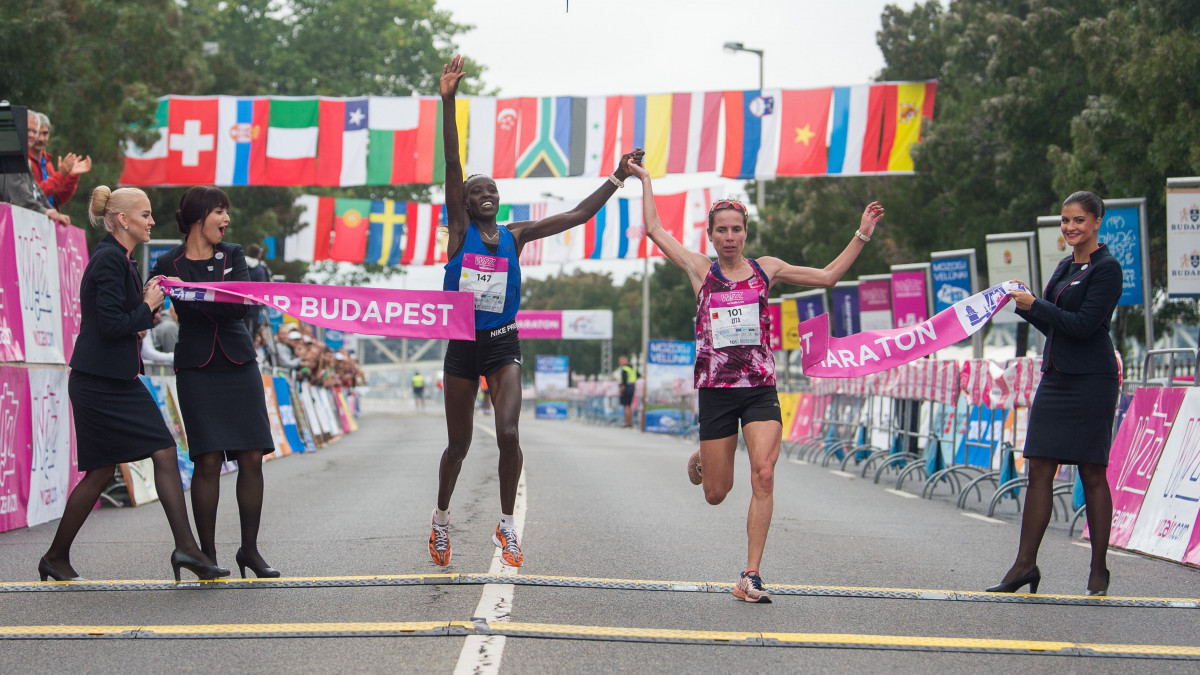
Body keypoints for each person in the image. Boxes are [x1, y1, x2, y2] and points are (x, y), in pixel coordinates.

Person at [628, 161, 884, 603]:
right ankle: (705, 456)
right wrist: (646, 180)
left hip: (760, 387)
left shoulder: (768, 269)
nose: (729, 237)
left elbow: (827, 277)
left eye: (736, 229)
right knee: (716, 493)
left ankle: (750, 575)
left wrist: (861, 234)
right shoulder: (700, 270)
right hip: (716, 392)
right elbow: (653, 228)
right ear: (711, 236)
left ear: (746, 233)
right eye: (722, 230)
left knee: (764, 474)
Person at [427, 55, 644, 568]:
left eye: (492, 191)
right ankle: (440, 519)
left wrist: (616, 177)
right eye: (476, 192)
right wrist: (448, 100)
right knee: (457, 444)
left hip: (503, 342)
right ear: (462, 201)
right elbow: (453, 165)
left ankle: (506, 526)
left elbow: (576, 215)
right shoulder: (458, 232)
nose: (485, 196)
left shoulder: (514, 236)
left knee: (508, 433)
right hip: (461, 345)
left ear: (499, 201)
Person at [39, 186, 225, 583]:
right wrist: (147, 308)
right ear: (123, 220)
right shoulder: (108, 260)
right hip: (102, 381)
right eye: (145, 215)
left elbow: (124, 320)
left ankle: (56, 557)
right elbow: (110, 325)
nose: (152, 221)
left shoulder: (119, 259)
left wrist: (145, 312)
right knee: (161, 450)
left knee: (102, 471)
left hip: (108, 376)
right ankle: (187, 548)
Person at [989, 191, 1122, 597]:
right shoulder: (1065, 266)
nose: (1069, 228)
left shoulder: (1107, 268)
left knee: (1092, 472)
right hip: (1056, 377)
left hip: (1092, 380)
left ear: (1096, 222)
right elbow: (1055, 326)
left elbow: (1083, 326)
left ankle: (1098, 569)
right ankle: (1024, 565)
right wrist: (1024, 305)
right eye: (1065, 221)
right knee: (1039, 468)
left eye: (1078, 221)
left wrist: (1038, 306)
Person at [150, 186, 279, 580]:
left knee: (251, 456)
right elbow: (167, 304)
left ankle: (250, 550)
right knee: (206, 460)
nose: (226, 220)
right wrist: (205, 298)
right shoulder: (166, 260)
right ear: (197, 215)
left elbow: (240, 303)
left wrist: (194, 296)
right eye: (220, 212)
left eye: (227, 213)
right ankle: (206, 555)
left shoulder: (235, 255)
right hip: (196, 367)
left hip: (238, 361)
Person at [28, 111, 90, 208]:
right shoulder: (26, 161)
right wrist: (60, 175)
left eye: (45, 134)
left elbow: (58, 198)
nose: (41, 138)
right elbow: (35, 194)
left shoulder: (47, 163)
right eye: (37, 133)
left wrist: (72, 177)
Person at [617, 355, 638, 428]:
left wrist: (621, 390)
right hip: (632, 388)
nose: (619, 362)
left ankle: (627, 423)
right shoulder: (632, 369)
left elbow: (624, 381)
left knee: (626, 406)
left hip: (626, 389)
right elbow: (639, 376)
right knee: (629, 406)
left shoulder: (624, 369)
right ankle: (630, 423)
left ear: (624, 360)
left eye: (620, 360)